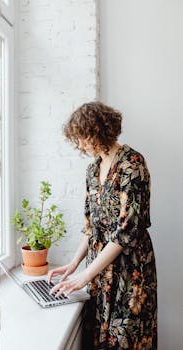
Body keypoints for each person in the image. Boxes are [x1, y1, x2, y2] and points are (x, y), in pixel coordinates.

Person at [47, 101, 158, 349]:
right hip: (99, 267)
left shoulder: (132, 165)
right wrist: (74, 264)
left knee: (127, 339)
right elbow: (92, 226)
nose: (81, 144)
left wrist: (86, 275)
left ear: (99, 131)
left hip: (129, 269)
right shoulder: (92, 169)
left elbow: (126, 232)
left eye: (83, 137)